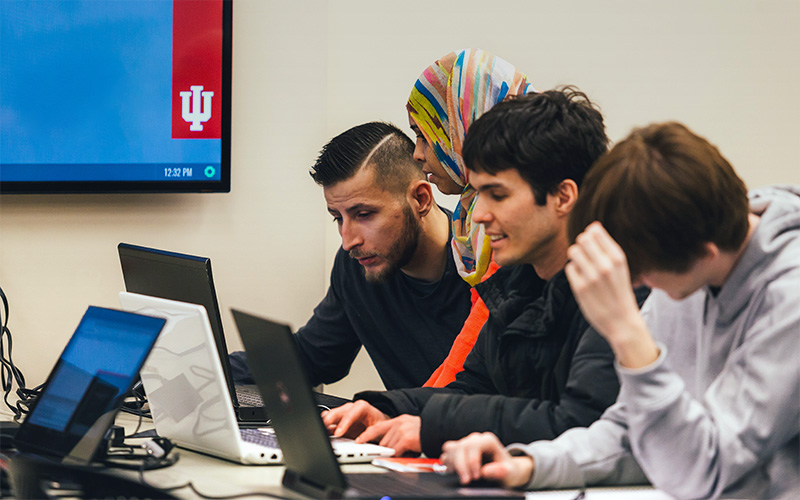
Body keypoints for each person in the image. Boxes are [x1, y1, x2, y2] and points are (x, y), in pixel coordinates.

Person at [439, 122, 800, 500]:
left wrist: (630, 336)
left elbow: (704, 471)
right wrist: (528, 464)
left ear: (705, 254)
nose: (640, 285)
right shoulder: (691, 268)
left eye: (644, 274)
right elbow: (632, 432)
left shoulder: (787, 302)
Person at [322, 88, 638, 458]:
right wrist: (388, 408)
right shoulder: (517, 281)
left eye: (497, 195)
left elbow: (578, 421)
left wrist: (435, 427)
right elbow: (474, 386)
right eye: (477, 192)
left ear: (563, 197)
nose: (480, 214)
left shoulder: (620, 288)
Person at [229, 121, 472, 391]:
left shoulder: (485, 271)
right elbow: (314, 357)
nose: (348, 241)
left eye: (364, 215)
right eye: (337, 218)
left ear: (421, 199)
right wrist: (207, 368)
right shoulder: (357, 264)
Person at [408, 48, 536, 387]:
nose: (417, 154)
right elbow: (466, 366)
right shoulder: (469, 221)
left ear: (465, 126)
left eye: (425, 135)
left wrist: (409, 417)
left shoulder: (514, 232)